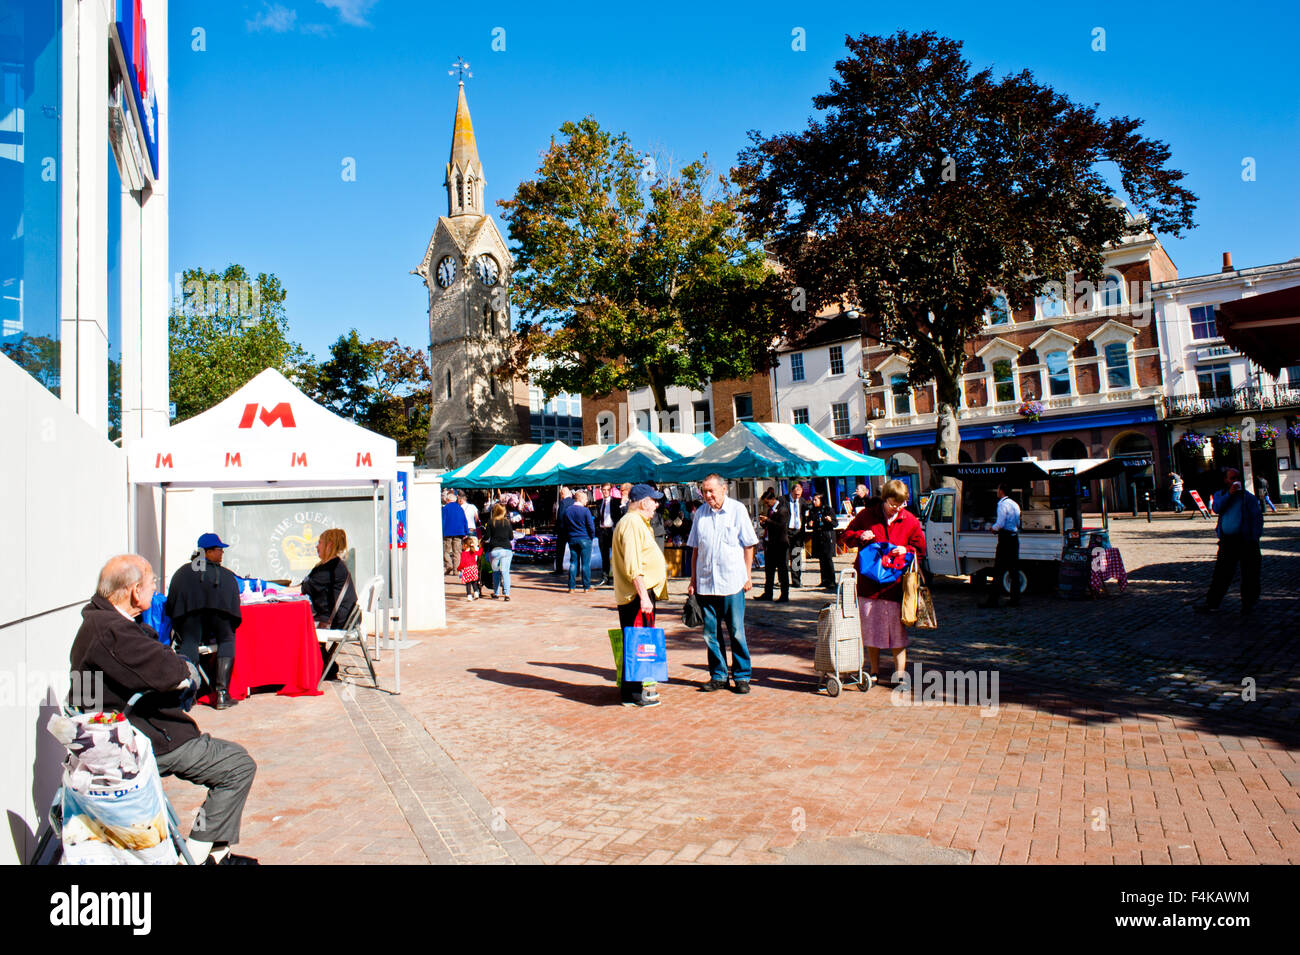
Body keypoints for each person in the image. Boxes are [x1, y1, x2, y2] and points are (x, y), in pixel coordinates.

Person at [71, 554, 258, 865]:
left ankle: (216, 851)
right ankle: (196, 856)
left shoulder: (97, 622)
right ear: (134, 591)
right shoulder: (113, 633)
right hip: (138, 740)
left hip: (116, 733)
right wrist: (186, 671)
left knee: (230, 761)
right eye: (152, 582)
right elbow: (175, 673)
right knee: (237, 765)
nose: (155, 588)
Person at [842, 480, 927, 683]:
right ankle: (873, 671)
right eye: (892, 504)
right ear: (884, 500)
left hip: (895, 587)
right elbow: (846, 536)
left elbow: (921, 549)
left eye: (900, 504)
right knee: (870, 630)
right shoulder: (868, 515)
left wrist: (906, 550)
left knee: (897, 633)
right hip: (869, 586)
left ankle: (899, 675)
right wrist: (861, 535)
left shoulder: (910, 520)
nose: (895, 509)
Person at [687, 474, 758, 693]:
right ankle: (718, 675)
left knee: (736, 631)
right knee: (711, 633)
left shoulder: (737, 511)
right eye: (704, 491)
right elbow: (695, 549)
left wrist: (747, 575)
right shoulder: (700, 514)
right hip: (707, 584)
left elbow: (749, 545)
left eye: (711, 491)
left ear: (723, 489)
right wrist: (693, 580)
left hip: (732, 583)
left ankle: (742, 676)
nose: (707, 496)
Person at [165, 533, 242, 710]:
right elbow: (233, 608)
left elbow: (172, 604)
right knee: (227, 639)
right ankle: (222, 694)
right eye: (219, 550)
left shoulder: (182, 573)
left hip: (190, 619)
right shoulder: (225, 575)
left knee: (189, 640)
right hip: (218, 618)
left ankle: (186, 694)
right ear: (206, 552)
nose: (222, 553)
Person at [611, 484, 668, 707]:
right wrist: (644, 596)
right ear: (644, 502)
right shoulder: (633, 522)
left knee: (635, 642)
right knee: (638, 644)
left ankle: (632, 691)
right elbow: (633, 565)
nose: (656, 505)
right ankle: (635, 693)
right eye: (654, 501)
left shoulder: (636, 522)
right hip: (636, 595)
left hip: (637, 594)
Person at [1195, 467, 1264, 615]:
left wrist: (1254, 537)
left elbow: (1257, 519)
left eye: (1237, 478)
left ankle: (1248, 605)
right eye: (1232, 478)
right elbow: (1217, 508)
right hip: (1228, 541)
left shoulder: (1248, 498)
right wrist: (1230, 495)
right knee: (1221, 574)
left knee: (1249, 575)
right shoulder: (1221, 495)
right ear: (1226, 480)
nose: (1235, 481)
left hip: (1246, 541)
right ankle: (1212, 603)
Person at [300, 528, 357, 628]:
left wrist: (277, 590)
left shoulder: (330, 570)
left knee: (292, 623)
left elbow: (302, 589)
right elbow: (305, 586)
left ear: (329, 545)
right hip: (338, 618)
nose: (316, 546)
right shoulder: (328, 566)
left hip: (334, 621)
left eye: (320, 543)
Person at [980, 482, 1022, 608]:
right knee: (1014, 570)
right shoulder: (1015, 504)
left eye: (998, 489)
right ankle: (1015, 598)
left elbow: (1000, 522)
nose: (997, 491)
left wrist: (993, 529)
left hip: (1005, 539)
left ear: (1002, 491)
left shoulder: (1002, 504)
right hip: (1014, 538)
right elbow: (1018, 522)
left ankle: (993, 600)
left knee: (998, 569)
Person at [756, 487, 792, 602]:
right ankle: (768, 593)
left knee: (782, 570)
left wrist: (768, 520)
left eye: (767, 502)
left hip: (780, 544)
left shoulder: (783, 510)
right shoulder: (770, 510)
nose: (766, 505)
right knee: (769, 571)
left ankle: (784, 594)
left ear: (772, 499)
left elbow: (781, 526)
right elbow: (770, 526)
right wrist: (764, 523)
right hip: (770, 544)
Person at [562, 489, 597, 591]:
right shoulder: (585, 511)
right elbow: (591, 526)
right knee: (585, 564)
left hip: (572, 538)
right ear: (581, 499)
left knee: (573, 563)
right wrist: (591, 536)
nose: (587, 501)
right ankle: (586, 586)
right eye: (586, 499)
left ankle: (571, 587)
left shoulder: (567, 511)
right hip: (585, 538)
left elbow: (565, 526)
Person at [808, 491, 839, 591]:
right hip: (818, 536)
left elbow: (835, 524)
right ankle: (824, 579)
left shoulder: (828, 509)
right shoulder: (812, 511)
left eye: (816, 500)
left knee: (828, 558)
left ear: (821, 500)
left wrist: (830, 520)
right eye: (813, 499)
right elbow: (809, 524)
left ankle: (832, 581)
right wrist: (810, 524)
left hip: (827, 536)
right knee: (821, 559)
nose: (814, 501)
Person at [484, 502, 515, 601]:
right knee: (505, 572)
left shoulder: (490, 522)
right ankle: (507, 594)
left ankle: (496, 593)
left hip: (494, 549)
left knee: (496, 572)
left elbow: (487, 537)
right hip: (506, 549)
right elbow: (511, 537)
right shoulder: (507, 522)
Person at [594, 483, 623, 587]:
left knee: (616, 555)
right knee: (604, 556)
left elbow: (618, 516)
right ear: (601, 490)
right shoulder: (598, 502)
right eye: (603, 490)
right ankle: (605, 577)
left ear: (610, 490)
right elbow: (597, 517)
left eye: (607, 490)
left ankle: (617, 577)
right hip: (602, 531)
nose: (605, 492)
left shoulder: (615, 502)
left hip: (612, 530)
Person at [786, 481, 812, 588]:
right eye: (796, 493)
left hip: (798, 532)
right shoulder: (783, 500)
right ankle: (783, 580)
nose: (798, 495)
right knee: (784, 557)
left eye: (800, 493)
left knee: (796, 557)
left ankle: (796, 581)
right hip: (786, 532)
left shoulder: (802, 501)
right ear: (791, 491)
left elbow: (808, 512)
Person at [442, 490, 469, 575]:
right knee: (457, 552)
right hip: (459, 532)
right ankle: (456, 570)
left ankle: (449, 564)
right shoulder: (460, 508)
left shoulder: (445, 508)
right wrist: (465, 532)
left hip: (447, 532)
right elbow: (464, 520)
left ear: (448, 500)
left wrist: (441, 531)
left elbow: (442, 521)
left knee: (446, 551)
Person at [554, 486, 575, 574]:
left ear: (562, 494)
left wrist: (557, 529)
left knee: (560, 550)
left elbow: (561, 517)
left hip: (563, 530)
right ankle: (575, 570)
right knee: (573, 551)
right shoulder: (574, 502)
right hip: (572, 530)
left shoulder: (563, 503)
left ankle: (559, 569)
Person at [458, 536, 483, 600]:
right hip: (474, 568)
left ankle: (469, 596)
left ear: (465, 545)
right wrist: (481, 547)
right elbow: (479, 553)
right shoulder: (473, 551)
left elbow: (462, 563)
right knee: (474, 582)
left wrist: (459, 568)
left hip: (467, 569)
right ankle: (476, 593)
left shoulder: (463, 553)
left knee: (468, 584)